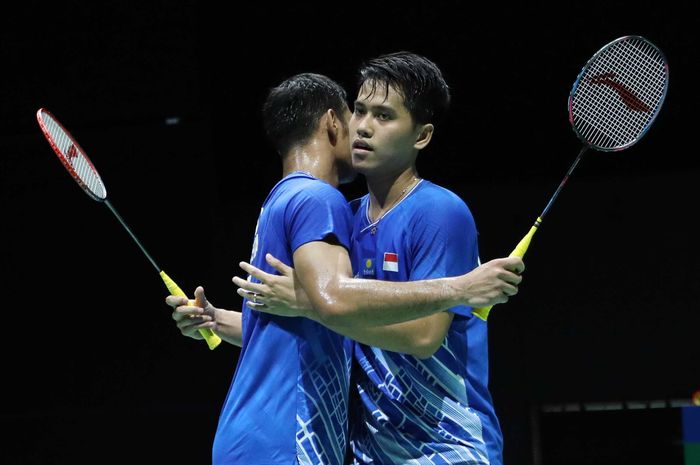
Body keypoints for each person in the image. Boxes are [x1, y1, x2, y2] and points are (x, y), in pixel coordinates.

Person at [170, 68, 522, 464]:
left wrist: (309, 303)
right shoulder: (346, 218)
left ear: (421, 136)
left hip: (445, 447)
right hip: (368, 452)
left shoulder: (439, 212)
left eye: (384, 116)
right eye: (359, 111)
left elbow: (424, 336)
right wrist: (217, 321)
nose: (364, 127)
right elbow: (327, 321)